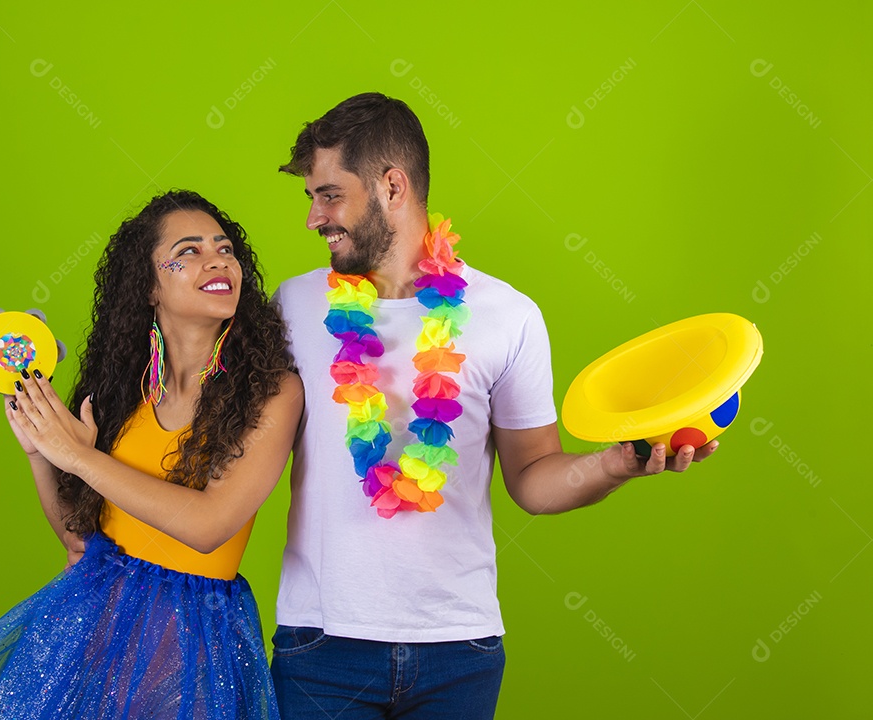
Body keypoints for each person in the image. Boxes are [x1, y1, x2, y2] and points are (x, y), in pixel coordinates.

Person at [269, 93, 718, 718]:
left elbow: (533, 478)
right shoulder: (291, 308)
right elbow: (225, 441)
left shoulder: (509, 316)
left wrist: (616, 465)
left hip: (459, 649)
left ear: (392, 186)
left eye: (329, 194)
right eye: (313, 197)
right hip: (323, 644)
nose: (315, 219)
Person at [0, 190, 303, 719]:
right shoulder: (121, 392)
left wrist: (78, 457)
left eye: (224, 248)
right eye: (188, 252)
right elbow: (80, 543)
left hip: (191, 646)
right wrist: (40, 453)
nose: (217, 259)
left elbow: (210, 525)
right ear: (149, 287)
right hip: (91, 632)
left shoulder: (271, 391)